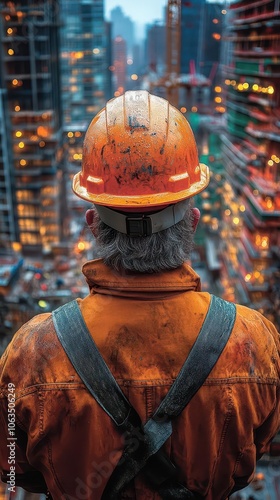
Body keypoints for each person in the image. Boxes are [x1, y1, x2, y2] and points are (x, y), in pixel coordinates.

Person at [0, 90, 279, 500]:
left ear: (93, 224)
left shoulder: (33, 354)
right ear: (194, 222)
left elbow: (14, 468)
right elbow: (253, 454)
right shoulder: (252, 344)